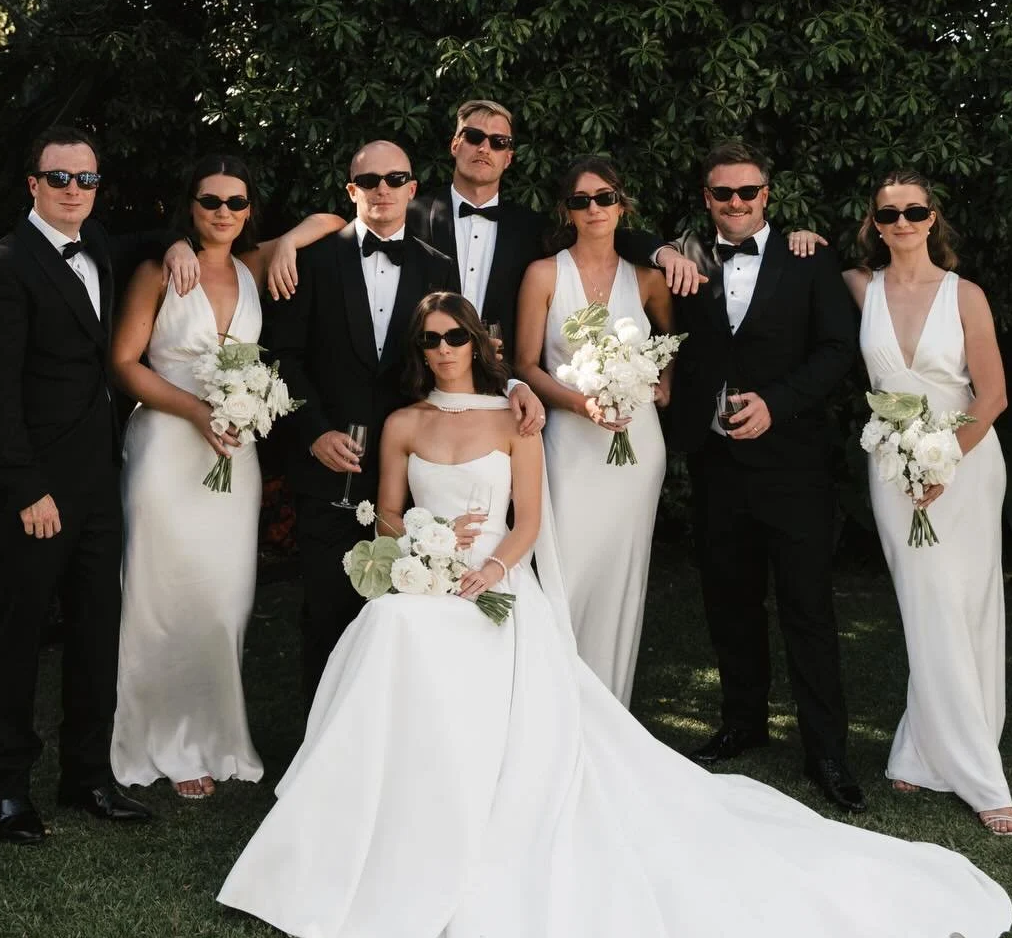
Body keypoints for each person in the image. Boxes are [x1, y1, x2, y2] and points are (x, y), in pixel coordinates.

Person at [217, 293, 1012, 938]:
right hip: (423, 580)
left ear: (477, 341)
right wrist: (420, 546)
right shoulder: (402, 424)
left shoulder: (513, 419)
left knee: (448, 637)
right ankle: (380, 825)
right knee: (391, 631)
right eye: (430, 340)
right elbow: (388, 515)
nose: (443, 348)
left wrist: (487, 568)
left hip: (495, 584)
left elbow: (528, 523)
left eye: (455, 335)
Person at [263, 138, 544, 703]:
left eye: (395, 180)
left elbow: (465, 346)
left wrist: (515, 385)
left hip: (416, 474)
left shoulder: (437, 267)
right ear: (352, 191)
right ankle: (324, 747)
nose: (383, 190)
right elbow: (282, 358)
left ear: (413, 190)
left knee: (408, 617)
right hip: (330, 471)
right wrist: (314, 431)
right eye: (369, 182)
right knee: (328, 610)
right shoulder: (313, 261)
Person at [108, 155, 338, 802]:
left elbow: (335, 219)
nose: (223, 213)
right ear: (191, 206)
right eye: (211, 202)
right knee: (158, 601)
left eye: (237, 203)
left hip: (232, 458)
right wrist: (197, 410)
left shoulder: (255, 265)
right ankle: (160, 743)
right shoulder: (161, 270)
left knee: (223, 600)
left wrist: (288, 240)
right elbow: (124, 364)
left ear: (250, 210)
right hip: (166, 448)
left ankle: (214, 735)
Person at [0, 125, 166, 843]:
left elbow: (145, 240)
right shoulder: (2, 266)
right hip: (36, 491)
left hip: (97, 482)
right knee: (19, 635)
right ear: (32, 184)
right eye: (59, 179)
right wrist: (27, 490)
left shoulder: (100, 246)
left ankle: (87, 776)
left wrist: (173, 244)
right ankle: (10, 789)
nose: (74, 192)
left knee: (95, 634)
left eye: (86, 180)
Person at [668, 141, 863, 812]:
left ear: (767, 196)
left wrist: (776, 403)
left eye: (748, 193)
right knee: (730, 601)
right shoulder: (687, 259)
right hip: (717, 466)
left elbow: (840, 348)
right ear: (707, 199)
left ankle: (827, 753)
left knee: (807, 607)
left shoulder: (809, 258)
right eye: (723, 194)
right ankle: (743, 723)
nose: (737, 204)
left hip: (794, 466)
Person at [844, 172, 1012, 837]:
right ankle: (932, 752)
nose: (902, 222)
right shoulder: (859, 289)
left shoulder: (964, 295)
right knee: (926, 605)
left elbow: (993, 395)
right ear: (874, 224)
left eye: (913, 211)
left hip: (966, 464)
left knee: (968, 604)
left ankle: (966, 769)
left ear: (931, 218)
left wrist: (945, 462)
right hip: (894, 470)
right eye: (888, 213)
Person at [265, 97, 699, 345]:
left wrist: (660, 250)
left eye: (498, 141)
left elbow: (601, 232)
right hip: (420, 380)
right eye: (473, 137)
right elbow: (351, 224)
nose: (484, 147)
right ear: (455, 145)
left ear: (509, 157)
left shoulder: (530, 228)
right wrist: (290, 239)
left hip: (504, 386)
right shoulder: (409, 210)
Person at [515, 156, 674, 705]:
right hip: (569, 445)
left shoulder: (648, 278)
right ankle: (554, 701)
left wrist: (663, 383)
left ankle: (610, 703)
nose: (595, 209)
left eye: (605, 197)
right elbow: (527, 364)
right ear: (567, 210)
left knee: (622, 576)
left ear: (621, 204)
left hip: (638, 448)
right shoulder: (543, 274)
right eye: (581, 200)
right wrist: (581, 404)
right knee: (568, 572)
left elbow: (675, 342)